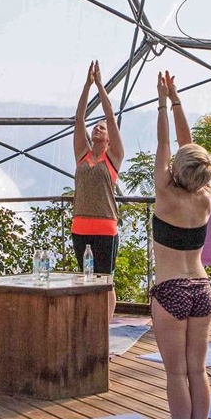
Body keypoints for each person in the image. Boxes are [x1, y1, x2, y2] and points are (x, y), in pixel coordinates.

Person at [149, 71, 211, 419]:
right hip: (202, 290)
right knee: (198, 370)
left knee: (176, 374)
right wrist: (176, 100)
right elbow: (188, 148)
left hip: (171, 290)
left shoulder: (165, 192)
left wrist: (162, 101)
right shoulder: (205, 197)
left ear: (177, 169)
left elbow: (165, 143)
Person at [72, 60, 125, 319]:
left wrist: (101, 86)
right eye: (97, 126)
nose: (97, 128)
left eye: (102, 128)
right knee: (85, 280)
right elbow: (79, 118)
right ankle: (90, 322)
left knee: (106, 280)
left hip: (105, 227)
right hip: (80, 227)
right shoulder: (82, 154)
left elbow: (111, 115)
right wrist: (86, 85)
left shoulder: (113, 157)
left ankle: (104, 325)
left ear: (109, 138)